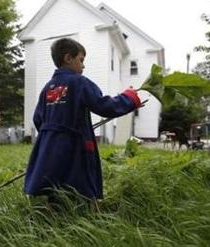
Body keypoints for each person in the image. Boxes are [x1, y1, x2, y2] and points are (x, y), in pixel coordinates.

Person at [24, 38, 143, 210]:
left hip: (49, 146)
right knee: (83, 179)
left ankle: (52, 214)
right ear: (68, 58)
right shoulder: (79, 82)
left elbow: (38, 119)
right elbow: (103, 105)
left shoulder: (47, 88)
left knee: (53, 179)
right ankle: (92, 213)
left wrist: (54, 131)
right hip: (74, 145)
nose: (83, 66)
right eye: (81, 60)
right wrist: (129, 98)